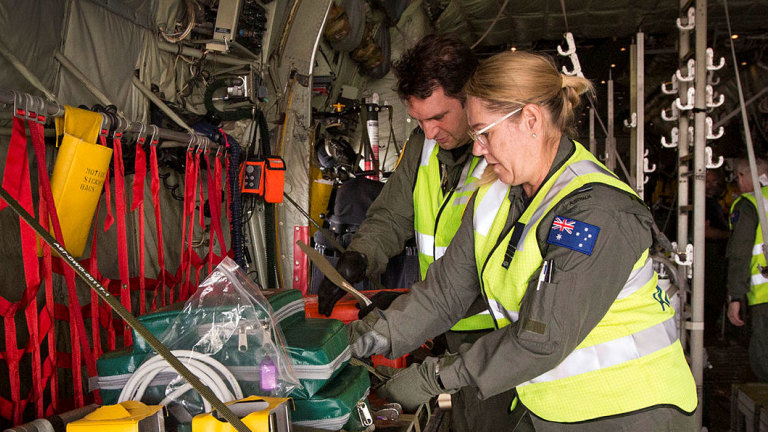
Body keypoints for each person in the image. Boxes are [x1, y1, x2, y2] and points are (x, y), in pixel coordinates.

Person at [347, 50, 697, 430]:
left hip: (633, 411)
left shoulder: (595, 211)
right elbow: (446, 293)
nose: (477, 149)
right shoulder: (495, 193)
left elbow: (541, 338)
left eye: (485, 133)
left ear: (530, 119)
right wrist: (371, 336)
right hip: (551, 409)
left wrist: (436, 377)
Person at [726, 157, 768, 382]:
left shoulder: (749, 204)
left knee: (763, 357)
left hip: (764, 294)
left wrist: (735, 297)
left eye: (739, 177)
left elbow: (740, 254)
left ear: (744, 176)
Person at [704, 169, 730, 338]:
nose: (712, 186)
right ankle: (708, 334)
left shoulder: (713, 202)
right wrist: (730, 235)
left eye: (714, 182)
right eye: (708, 182)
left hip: (715, 255)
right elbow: (705, 231)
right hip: (709, 255)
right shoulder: (704, 204)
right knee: (711, 295)